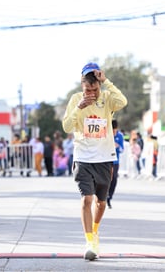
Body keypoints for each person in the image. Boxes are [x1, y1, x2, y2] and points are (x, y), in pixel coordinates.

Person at [62, 62, 127, 261]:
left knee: (101, 203)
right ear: (82, 86)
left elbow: (122, 101)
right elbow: (66, 127)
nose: (92, 93)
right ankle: (89, 241)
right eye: (88, 89)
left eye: (95, 88)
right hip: (83, 157)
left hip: (105, 158)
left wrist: (106, 81)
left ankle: (95, 231)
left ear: (99, 85)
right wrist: (79, 108)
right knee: (86, 199)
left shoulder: (107, 98)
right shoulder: (75, 100)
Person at [107, 119, 124, 209]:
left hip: (115, 161)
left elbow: (122, 149)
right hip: (106, 160)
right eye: (112, 130)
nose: (113, 132)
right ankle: (103, 194)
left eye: (115, 130)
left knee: (114, 178)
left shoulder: (120, 136)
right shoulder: (106, 134)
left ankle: (110, 196)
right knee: (106, 178)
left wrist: (117, 146)